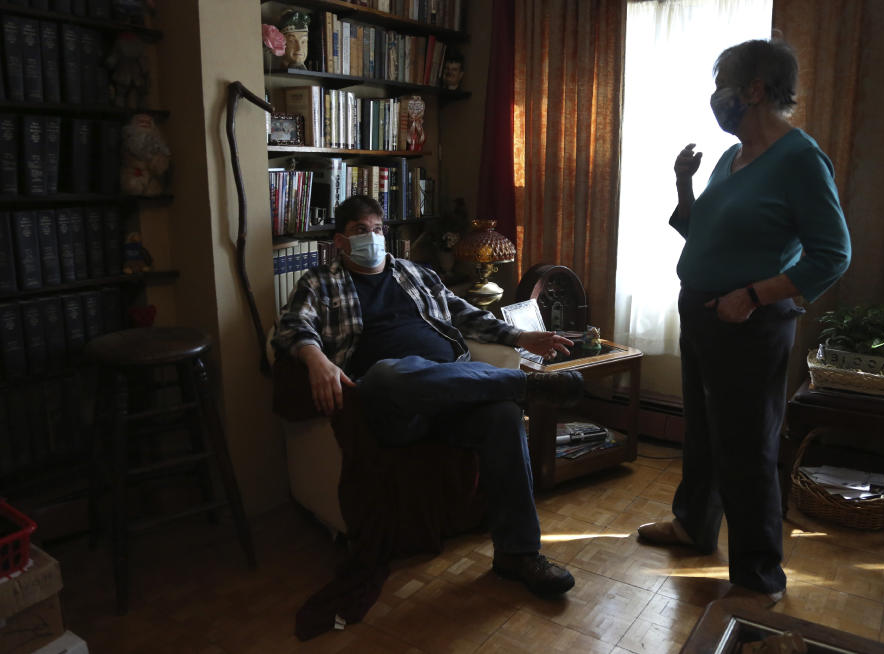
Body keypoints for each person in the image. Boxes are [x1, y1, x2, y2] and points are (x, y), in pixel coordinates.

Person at [272, 195, 582, 596]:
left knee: (503, 417)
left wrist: (521, 336)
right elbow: (292, 327)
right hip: (391, 406)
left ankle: (517, 554)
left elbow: (466, 314)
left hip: (451, 395)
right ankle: (524, 385)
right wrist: (317, 360)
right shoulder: (320, 282)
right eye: (360, 231)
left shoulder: (416, 274)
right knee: (387, 373)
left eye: (378, 229)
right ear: (340, 242)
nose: (372, 238)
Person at [636, 40, 852, 605]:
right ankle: (693, 526)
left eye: (724, 84)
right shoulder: (733, 160)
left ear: (754, 90)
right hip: (703, 311)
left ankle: (758, 578)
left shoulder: (800, 159)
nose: (717, 98)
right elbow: (705, 233)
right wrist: (684, 184)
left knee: (748, 447)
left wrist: (754, 296)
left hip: (749, 324)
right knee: (704, 431)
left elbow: (832, 254)